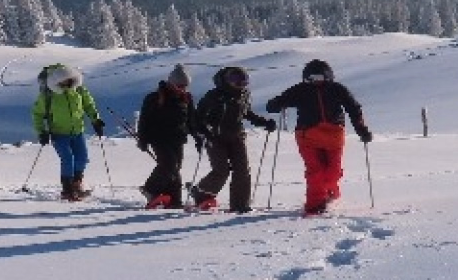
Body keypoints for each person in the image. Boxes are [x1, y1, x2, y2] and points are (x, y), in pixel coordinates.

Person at [264, 58, 372, 216]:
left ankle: (330, 191)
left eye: (320, 78)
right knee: (316, 171)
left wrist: (361, 129)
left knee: (333, 171)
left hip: (333, 135)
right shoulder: (300, 90)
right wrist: (275, 104)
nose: (315, 81)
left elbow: (353, 108)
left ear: (328, 76)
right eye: (311, 78)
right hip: (307, 136)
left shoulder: (337, 89)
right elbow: (277, 102)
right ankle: (315, 205)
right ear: (305, 78)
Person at [188, 65, 276, 213]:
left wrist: (264, 123)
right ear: (226, 80)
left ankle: (240, 205)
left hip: (236, 136)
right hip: (215, 138)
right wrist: (202, 134)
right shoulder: (214, 95)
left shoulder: (244, 95)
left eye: (243, 80)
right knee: (221, 170)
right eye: (235, 80)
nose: (239, 84)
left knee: (242, 170)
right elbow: (197, 118)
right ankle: (201, 192)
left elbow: (246, 114)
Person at [31, 63, 105, 201]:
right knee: (68, 159)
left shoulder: (79, 90)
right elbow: (37, 114)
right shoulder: (48, 95)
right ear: (55, 81)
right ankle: (67, 189)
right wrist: (42, 132)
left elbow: (89, 105)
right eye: (64, 79)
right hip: (58, 134)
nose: (67, 81)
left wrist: (96, 120)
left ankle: (77, 184)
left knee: (82, 158)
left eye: (69, 78)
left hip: (78, 132)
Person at [136, 64, 197, 209]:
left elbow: (192, 120)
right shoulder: (155, 97)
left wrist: (198, 137)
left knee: (176, 168)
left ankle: (174, 199)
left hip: (178, 138)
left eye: (185, 86)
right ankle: (150, 189)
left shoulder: (186, 98)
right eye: (179, 85)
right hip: (158, 138)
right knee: (169, 165)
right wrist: (142, 139)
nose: (182, 89)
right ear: (171, 82)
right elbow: (144, 119)